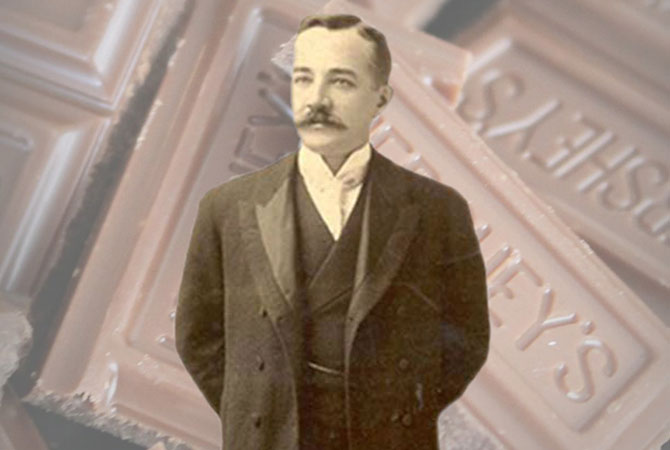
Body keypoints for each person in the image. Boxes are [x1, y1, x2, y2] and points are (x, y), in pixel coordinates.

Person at [175, 13, 490, 450]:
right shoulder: (226, 206)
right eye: (304, 79)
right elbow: (197, 337)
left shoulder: (438, 210)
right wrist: (256, 411)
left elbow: (466, 338)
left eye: (341, 82)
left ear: (380, 98)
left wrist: (400, 409)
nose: (317, 100)